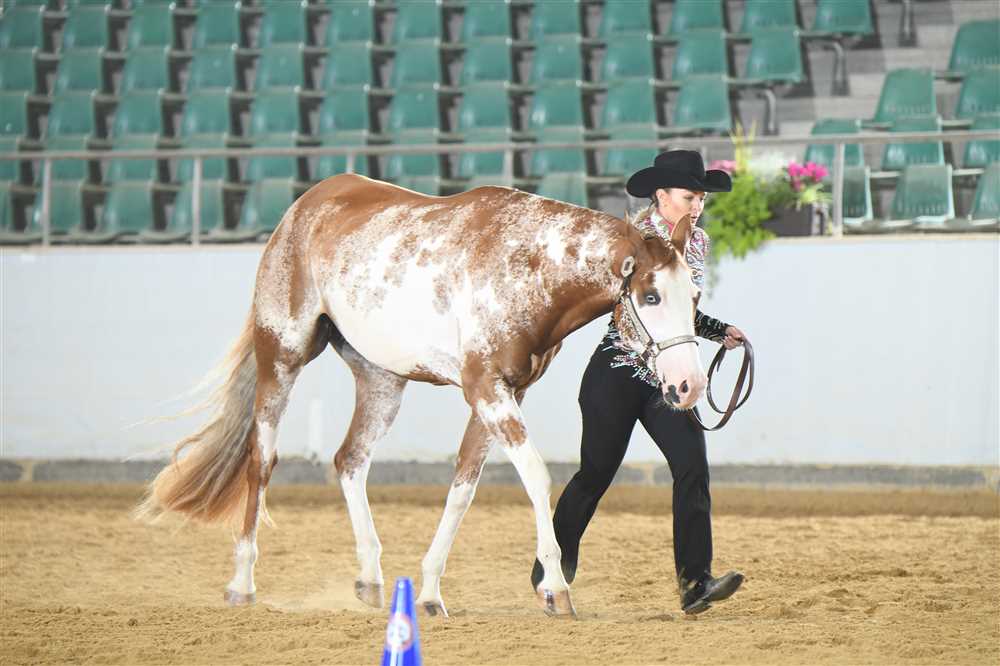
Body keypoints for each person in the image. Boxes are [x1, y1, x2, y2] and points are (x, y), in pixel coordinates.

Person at [531, 150, 747, 615]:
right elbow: (629, 305)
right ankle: (552, 564)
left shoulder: (697, 242)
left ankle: (696, 582)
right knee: (595, 474)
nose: (697, 205)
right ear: (661, 195)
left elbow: (677, 309)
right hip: (617, 371)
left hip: (664, 377)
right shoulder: (631, 239)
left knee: (692, 468)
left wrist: (715, 329)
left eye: (702, 198)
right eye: (689, 197)